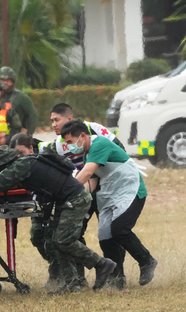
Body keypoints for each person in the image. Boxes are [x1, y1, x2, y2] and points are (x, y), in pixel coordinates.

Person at [0, 146, 117, 294]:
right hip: (66, 199)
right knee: (56, 241)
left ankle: (101, 264)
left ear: (4, 163)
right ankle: (72, 283)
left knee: (63, 240)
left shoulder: (20, 166)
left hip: (74, 199)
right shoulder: (27, 161)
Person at [61, 120, 157, 290]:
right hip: (110, 195)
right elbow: (91, 182)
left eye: (70, 141)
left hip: (131, 191)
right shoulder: (88, 152)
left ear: (82, 136)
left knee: (119, 229)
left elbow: (88, 172)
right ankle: (116, 279)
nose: (69, 147)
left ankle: (146, 260)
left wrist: (66, 191)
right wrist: (76, 198)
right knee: (106, 237)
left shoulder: (99, 144)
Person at [45, 103, 124, 166]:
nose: (53, 125)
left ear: (69, 118)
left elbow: (120, 150)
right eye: (52, 121)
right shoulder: (58, 144)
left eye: (56, 120)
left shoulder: (94, 128)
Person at [0, 66, 38, 136]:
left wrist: (28, 133)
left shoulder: (21, 97)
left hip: (15, 136)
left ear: (12, 82)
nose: (4, 83)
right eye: (2, 80)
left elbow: (32, 115)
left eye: (8, 80)